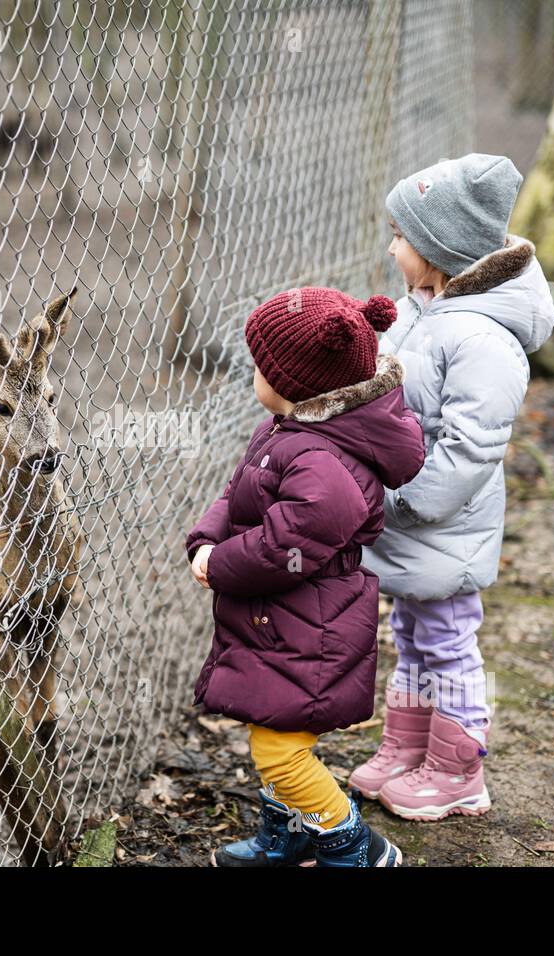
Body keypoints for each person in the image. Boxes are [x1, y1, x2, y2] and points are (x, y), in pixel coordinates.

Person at [186, 287, 426, 866]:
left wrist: (221, 565)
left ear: (295, 384)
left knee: (281, 751)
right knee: (273, 724)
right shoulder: (287, 430)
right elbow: (240, 492)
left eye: (259, 365)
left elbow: (286, 542)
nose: (253, 373)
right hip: (285, 619)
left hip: (307, 622)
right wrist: (207, 537)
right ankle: (290, 834)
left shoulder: (320, 458)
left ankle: (352, 845)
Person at [350, 153, 554, 821]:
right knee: (411, 636)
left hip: (441, 522)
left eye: (401, 235)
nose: (391, 245)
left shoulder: (482, 337)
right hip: (408, 522)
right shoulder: (422, 310)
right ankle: (408, 746)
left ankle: (459, 768)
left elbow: (472, 445)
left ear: (439, 248)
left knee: (447, 641)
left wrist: (410, 503)